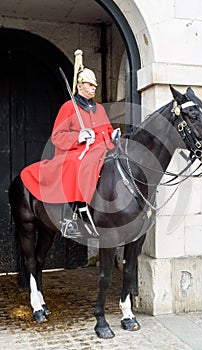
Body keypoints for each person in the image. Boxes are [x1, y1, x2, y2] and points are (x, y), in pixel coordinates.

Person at [21, 49, 120, 237]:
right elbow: (57, 136)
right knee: (76, 165)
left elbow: (106, 130)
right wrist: (79, 138)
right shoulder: (69, 107)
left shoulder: (98, 108)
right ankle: (69, 216)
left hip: (100, 150)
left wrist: (112, 134)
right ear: (80, 86)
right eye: (90, 85)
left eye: (95, 85)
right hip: (75, 152)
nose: (94, 88)